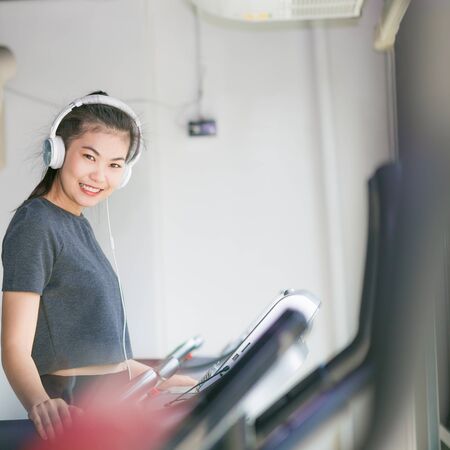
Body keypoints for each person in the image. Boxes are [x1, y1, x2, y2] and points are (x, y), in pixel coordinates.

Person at [1, 91, 195, 441]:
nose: (99, 175)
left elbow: (96, 350)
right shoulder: (37, 223)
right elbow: (14, 346)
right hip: (75, 406)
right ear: (58, 153)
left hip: (109, 401)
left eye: (115, 164)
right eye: (89, 156)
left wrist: (155, 380)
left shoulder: (76, 223)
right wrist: (40, 404)